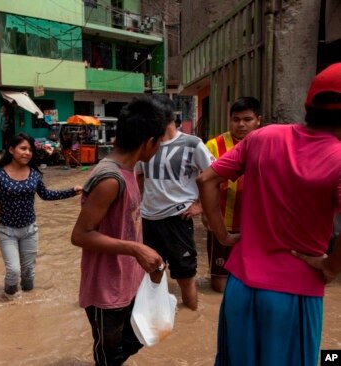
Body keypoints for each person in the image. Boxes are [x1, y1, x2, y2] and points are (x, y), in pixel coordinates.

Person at [198, 62, 341, 366]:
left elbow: (206, 179)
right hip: (296, 292)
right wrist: (332, 266)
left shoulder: (262, 137)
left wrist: (221, 234)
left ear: (308, 104)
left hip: (240, 287)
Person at [71, 97, 167, 365]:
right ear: (149, 142)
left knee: (141, 335)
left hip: (128, 281)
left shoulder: (131, 171)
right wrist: (136, 249)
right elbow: (80, 235)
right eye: (159, 142)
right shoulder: (110, 179)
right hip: (106, 290)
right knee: (109, 356)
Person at [134, 94, 214, 311]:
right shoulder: (147, 145)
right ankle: (155, 317)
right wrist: (138, 205)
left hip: (178, 219)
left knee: (185, 276)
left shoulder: (192, 143)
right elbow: (139, 175)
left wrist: (200, 205)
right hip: (149, 219)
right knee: (152, 272)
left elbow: (212, 176)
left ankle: (191, 318)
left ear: (165, 117)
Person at [0, 133, 82, 295]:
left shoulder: (34, 173)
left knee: (28, 274)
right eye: (23, 148)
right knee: (13, 271)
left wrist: (72, 192)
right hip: (6, 231)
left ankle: (27, 303)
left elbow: (46, 195)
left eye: (30, 150)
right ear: (11, 149)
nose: (27, 152)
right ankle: (9, 300)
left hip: (30, 231)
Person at [204, 97, 262, 292]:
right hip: (222, 221)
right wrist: (204, 210)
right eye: (236, 119)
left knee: (255, 277)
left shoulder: (267, 143)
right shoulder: (214, 145)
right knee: (219, 283)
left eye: (247, 119)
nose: (241, 125)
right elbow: (203, 180)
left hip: (255, 223)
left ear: (258, 120)